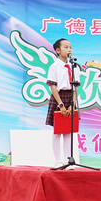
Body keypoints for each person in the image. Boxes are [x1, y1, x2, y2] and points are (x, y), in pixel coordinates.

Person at [45, 38, 75, 168]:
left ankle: (69, 160)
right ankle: (58, 160)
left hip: (70, 98)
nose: (69, 50)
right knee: (58, 131)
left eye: (70, 47)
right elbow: (52, 87)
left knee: (68, 131)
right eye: (66, 47)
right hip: (59, 97)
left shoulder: (74, 67)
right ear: (58, 50)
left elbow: (75, 87)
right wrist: (61, 105)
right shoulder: (54, 66)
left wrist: (72, 104)